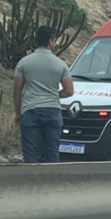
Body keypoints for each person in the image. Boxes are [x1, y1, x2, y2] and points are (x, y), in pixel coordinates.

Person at [13, 25, 74, 163]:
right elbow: (69, 91)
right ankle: (53, 182)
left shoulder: (24, 62)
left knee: (30, 153)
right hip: (52, 110)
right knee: (52, 152)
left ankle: (31, 181)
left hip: (30, 110)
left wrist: (18, 113)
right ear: (51, 41)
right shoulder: (61, 64)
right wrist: (52, 94)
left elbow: (17, 92)